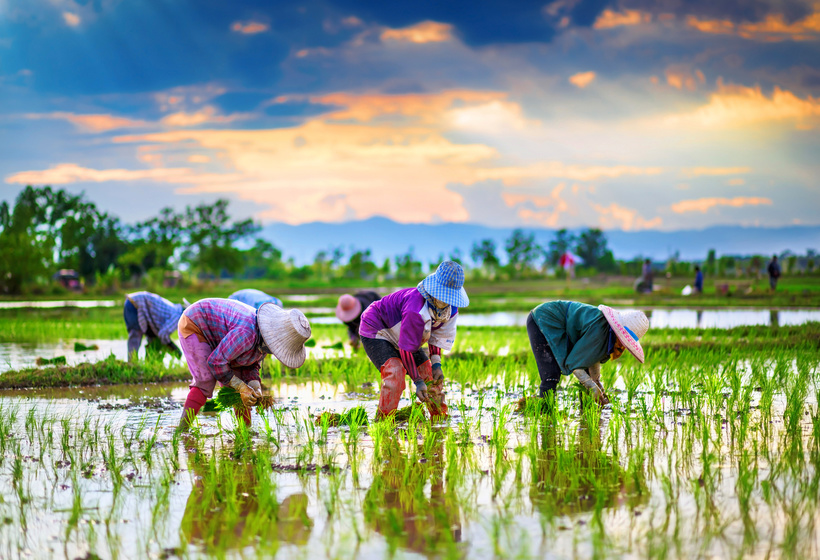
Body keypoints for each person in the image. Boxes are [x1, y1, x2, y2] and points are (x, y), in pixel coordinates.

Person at [177, 298, 311, 429]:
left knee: (241, 386)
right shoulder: (246, 333)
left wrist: (254, 385)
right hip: (196, 323)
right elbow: (216, 362)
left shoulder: (265, 338)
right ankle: (181, 430)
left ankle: (245, 430)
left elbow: (251, 362)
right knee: (205, 380)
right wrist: (241, 387)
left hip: (221, 334)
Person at [359, 261, 468, 418]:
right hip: (377, 326)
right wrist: (417, 381)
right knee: (395, 372)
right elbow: (405, 349)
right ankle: (383, 421)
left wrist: (437, 364)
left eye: (450, 297)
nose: (446, 301)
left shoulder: (451, 310)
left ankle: (439, 419)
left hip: (404, 331)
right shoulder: (415, 310)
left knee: (430, 374)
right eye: (443, 296)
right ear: (435, 291)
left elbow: (437, 337)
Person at [526, 301, 649, 405]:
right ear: (618, 333)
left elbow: (591, 356)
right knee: (551, 375)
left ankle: (586, 414)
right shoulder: (600, 331)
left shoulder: (607, 332)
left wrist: (597, 383)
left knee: (586, 376)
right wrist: (591, 386)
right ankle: (545, 417)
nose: (622, 347)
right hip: (543, 319)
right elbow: (574, 364)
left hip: (558, 322)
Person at [124, 291, 188, 362]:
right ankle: (132, 363)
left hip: (141, 307)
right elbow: (163, 334)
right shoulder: (178, 316)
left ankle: (149, 363)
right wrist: (174, 348)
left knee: (154, 340)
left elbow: (158, 333)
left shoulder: (175, 310)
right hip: (135, 304)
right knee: (135, 334)